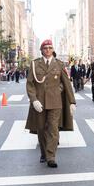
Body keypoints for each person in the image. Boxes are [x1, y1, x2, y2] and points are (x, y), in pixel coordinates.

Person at [25, 39, 76, 168]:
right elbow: (30, 84)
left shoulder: (59, 64)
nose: (48, 50)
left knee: (53, 130)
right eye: (45, 48)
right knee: (41, 129)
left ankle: (51, 157)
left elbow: (67, 84)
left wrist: (72, 102)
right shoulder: (35, 64)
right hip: (39, 103)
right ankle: (43, 153)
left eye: (50, 48)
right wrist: (34, 100)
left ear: (53, 50)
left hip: (55, 102)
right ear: (41, 50)